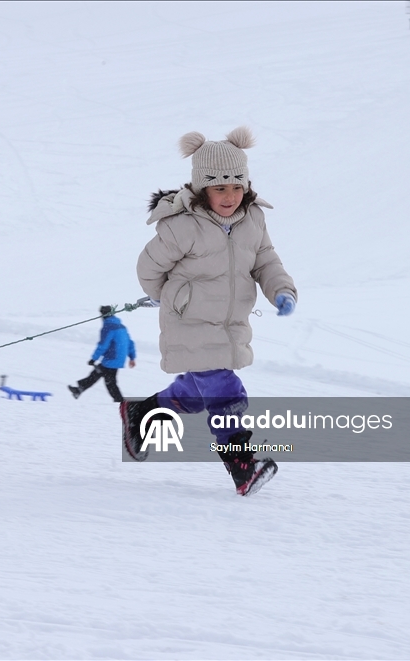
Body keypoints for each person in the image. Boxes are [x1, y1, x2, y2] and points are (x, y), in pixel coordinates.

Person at [120, 127, 297, 496]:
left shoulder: (253, 219)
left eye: (236, 186)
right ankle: (242, 465)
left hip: (229, 323)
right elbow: (148, 267)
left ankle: (144, 412)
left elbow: (266, 261)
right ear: (202, 189)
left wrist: (281, 290)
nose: (229, 196)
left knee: (201, 391)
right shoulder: (183, 226)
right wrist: (165, 296)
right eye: (219, 188)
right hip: (189, 321)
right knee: (224, 391)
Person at [68, 306, 136, 402]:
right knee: (97, 372)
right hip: (118, 357)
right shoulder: (121, 326)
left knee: (110, 382)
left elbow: (103, 345)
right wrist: (132, 357)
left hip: (112, 358)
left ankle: (120, 401)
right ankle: (79, 389)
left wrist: (94, 358)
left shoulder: (108, 327)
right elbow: (130, 343)